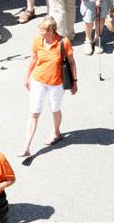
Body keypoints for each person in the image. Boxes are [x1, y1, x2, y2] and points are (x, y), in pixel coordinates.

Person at [20, 15, 78, 156]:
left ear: (52, 30)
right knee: (34, 113)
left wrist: (74, 82)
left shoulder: (64, 43)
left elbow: (71, 62)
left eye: (43, 30)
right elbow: (34, 59)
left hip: (56, 84)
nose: (40, 33)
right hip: (38, 81)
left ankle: (56, 132)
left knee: (55, 109)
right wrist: (27, 77)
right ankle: (26, 147)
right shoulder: (38, 40)